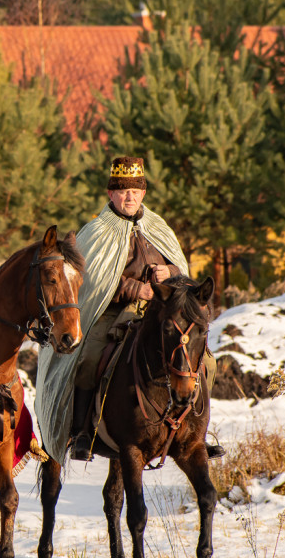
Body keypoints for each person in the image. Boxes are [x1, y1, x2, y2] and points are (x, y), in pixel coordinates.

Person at [35, 156, 222, 462]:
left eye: (135, 189)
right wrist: (138, 288)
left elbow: (182, 271)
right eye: (122, 190)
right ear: (111, 194)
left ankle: (196, 431)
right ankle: (81, 431)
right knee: (89, 356)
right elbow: (91, 278)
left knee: (207, 363)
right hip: (111, 310)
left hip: (162, 313)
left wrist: (172, 272)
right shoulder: (95, 231)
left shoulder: (158, 227)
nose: (129, 196)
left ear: (144, 193)